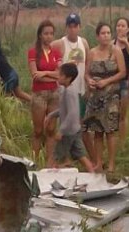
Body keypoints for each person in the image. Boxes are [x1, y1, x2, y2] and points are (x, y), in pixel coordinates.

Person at [51, 13, 94, 161]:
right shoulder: (59, 43)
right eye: (70, 26)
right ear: (66, 27)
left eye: (75, 26)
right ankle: (67, 159)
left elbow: (87, 63)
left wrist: (87, 80)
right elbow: (47, 52)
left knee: (77, 125)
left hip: (80, 90)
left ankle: (79, 157)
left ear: (79, 27)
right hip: (65, 90)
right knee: (65, 122)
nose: (73, 29)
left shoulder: (84, 43)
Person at [84, 22, 126, 173]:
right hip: (95, 96)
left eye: (108, 33)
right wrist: (89, 81)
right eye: (103, 33)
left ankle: (112, 163)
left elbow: (122, 72)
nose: (106, 36)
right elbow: (86, 72)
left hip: (111, 95)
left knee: (110, 131)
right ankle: (98, 163)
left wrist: (107, 81)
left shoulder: (116, 52)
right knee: (97, 131)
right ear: (97, 36)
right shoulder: (92, 52)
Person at [44, 63, 94, 172]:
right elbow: (63, 110)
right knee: (81, 155)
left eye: (61, 75)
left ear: (68, 78)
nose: (58, 76)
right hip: (74, 129)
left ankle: (46, 175)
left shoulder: (70, 92)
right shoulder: (67, 90)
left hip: (68, 131)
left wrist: (61, 131)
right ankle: (93, 174)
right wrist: (51, 115)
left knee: (55, 156)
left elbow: (71, 113)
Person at [28, 20, 62, 166]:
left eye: (51, 34)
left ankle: (50, 162)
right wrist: (51, 74)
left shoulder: (56, 52)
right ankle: (34, 161)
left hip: (54, 93)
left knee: (51, 129)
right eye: (46, 33)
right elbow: (35, 74)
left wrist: (46, 73)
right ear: (40, 35)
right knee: (38, 130)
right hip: (39, 93)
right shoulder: (33, 52)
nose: (49, 37)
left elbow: (60, 74)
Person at [114, 17, 129, 143]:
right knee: (112, 114)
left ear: (128, 29)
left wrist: (126, 43)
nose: (120, 28)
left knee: (122, 115)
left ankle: (122, 142)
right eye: (118, 25)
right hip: (112, 83)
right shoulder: (111, 44)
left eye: (123, 26)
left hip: (125, 83)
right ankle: (112, 140)